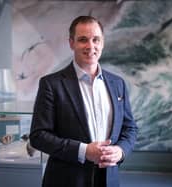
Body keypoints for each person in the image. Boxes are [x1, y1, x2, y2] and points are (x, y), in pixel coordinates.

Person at [30, 15, 138, 187]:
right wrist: (84, 151)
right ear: (71, 43)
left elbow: (129, 128)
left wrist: (120, 150)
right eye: (82, 40)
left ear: (102, 42)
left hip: (109, 179)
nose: (90, 46)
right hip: (66, 180)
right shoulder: (51, 84)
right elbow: (38, 136)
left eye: (96, 39)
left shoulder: (118, 84)